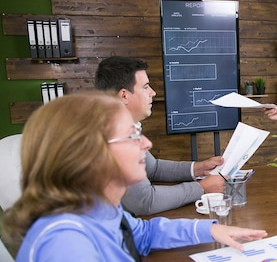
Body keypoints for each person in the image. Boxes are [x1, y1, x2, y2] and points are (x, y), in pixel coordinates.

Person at [2, 92, 277, 262]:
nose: (147, 145)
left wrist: (211, 231)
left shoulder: (97, 207)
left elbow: (142, 234)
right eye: (132, 135)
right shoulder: (63, 242)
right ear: (89, 154)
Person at [95, 56, 225, 216]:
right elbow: (144, 201)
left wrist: (198, 168)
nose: (153, 93)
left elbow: (153, 168)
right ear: (124, 95)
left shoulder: (119, 125)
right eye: (145, 87)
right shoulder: (112, 136)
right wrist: (201, 188)